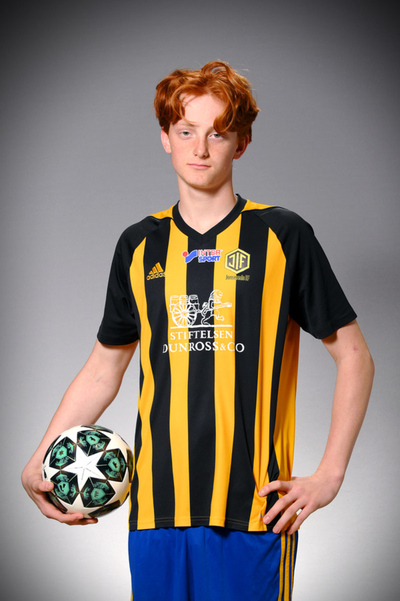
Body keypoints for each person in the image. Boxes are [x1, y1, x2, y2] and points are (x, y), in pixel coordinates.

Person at [22, 61, 374, 600]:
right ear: (165, 138)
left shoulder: (282, 235)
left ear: (242, 143)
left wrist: (330, 473)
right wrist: (40, 457)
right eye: (186, 131)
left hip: (255, 511)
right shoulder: (139, 245)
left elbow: (355, 357)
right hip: (155, 509)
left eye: (218, 133)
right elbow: (103, 369)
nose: (201, 149)